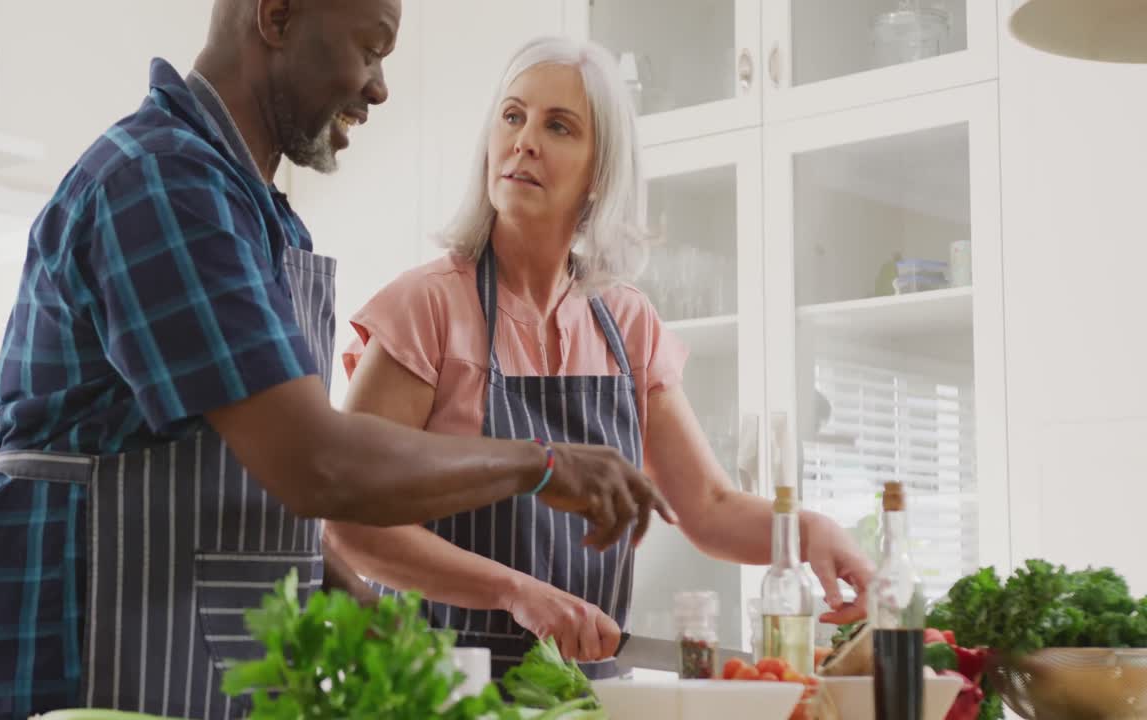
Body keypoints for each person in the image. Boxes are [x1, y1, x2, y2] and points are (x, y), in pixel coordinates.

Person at [0, 4, 675, 719]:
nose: (379, 87)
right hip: (57, 670)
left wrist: (380, 629)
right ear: (275, 17)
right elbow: (316, 465)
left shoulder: (255, 214)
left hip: (171, 676)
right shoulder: (160, 183)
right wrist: (541, 464)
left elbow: (253, 492)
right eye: (370, 48)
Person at [325, 36, 874, 680]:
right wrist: (514, 592)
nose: (525, 141)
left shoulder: (626, 323)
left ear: (601, 172)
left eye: (558, 126)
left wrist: (809, 531)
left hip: (588, 695)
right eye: (513, 116)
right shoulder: (426, 308)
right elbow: (349, 522)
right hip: (440, 691)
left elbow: (708, 507)